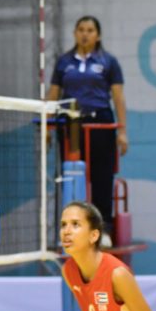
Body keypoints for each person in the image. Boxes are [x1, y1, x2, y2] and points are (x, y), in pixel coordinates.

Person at [48, 16, 128, 243]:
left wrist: (122, 132)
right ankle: (72, 230)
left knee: (102, 178)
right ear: (75, 33)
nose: (85, 34)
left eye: (90, 30)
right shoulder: (64, 62)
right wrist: (46, 125)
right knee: (72, 176)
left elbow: (118, 97)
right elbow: (53, 94)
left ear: (98, 35)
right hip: (72, 127)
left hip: (100, 123)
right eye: (81, 29)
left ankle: (103, 230)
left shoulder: (109, 62)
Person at [61, 202, 156, 311]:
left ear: (94, 235)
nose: (66, 231)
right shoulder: (68, 271)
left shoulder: (118, 274)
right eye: (63, 225)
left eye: (75, 224)